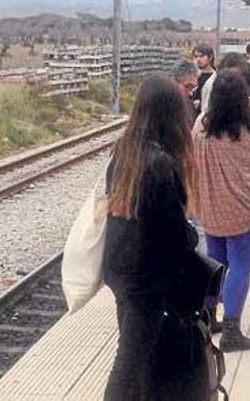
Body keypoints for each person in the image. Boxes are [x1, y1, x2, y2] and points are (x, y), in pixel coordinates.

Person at [103, 76, 211, 400]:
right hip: (148, 280)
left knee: (134, 353)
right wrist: (192, 233)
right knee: (130, 360)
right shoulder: (160, 164)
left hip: (122, 271)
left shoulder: (124, 153)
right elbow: (173, 234)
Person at [193, 70, 250, 352]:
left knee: (215, 265)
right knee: (240, 267)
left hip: (212, 207)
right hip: (246, 209)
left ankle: (206, 320)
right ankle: (231, 329)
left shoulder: (201, 127)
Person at [170, 59, 199, 125]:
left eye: (193, 88)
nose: (190, 93)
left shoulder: (188, 104)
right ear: (173, 81)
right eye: (187, 87)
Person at [191, 44, 216, 112]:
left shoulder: (216, 78)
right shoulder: (192, 77)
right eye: (196, 56)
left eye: (201, 56)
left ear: (210, 57)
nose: (198, 59)